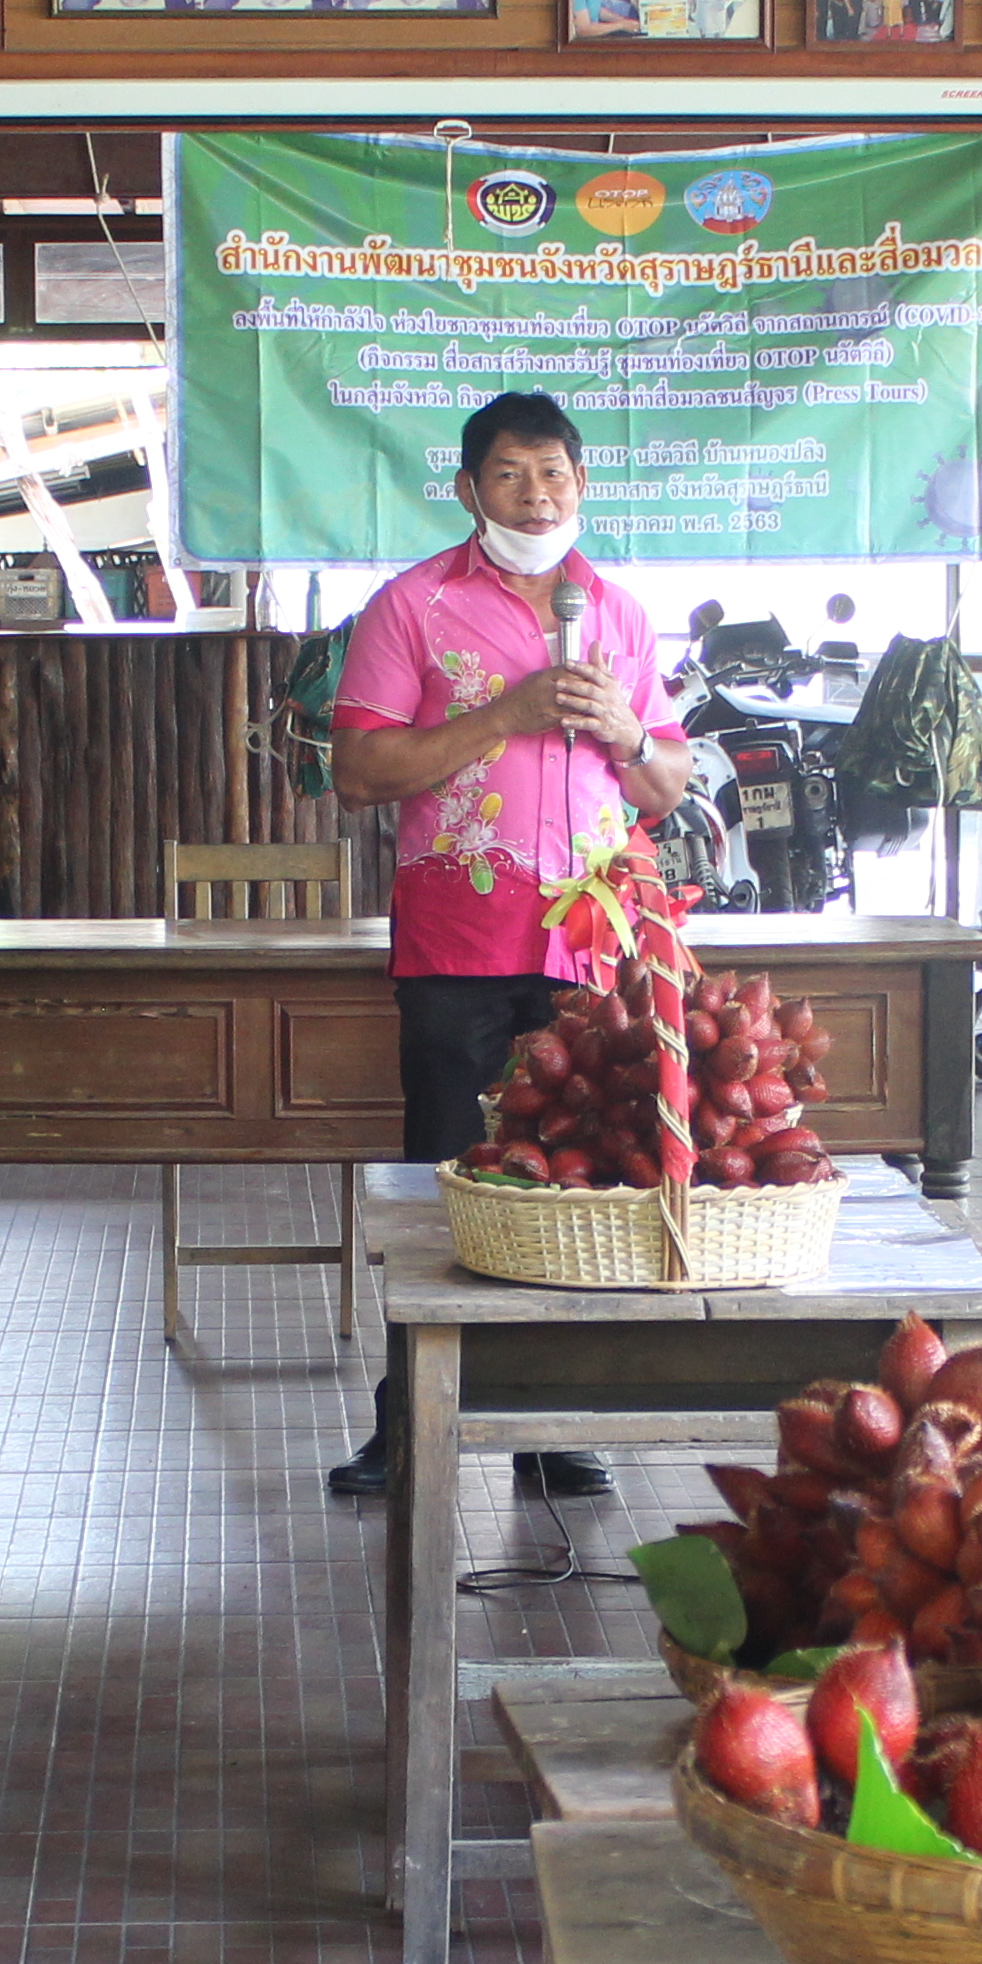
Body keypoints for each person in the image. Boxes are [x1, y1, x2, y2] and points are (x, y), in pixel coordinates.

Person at [318, 390, 702, 1503]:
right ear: (468, 489)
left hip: (590, 941)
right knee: (442, 1175)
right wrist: (509, 713)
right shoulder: (412, 607)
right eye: (511, 475)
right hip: (459, 937)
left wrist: (627, 733)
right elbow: (359, 775)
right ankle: (406, 1426)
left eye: (556, 474)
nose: (538, 495)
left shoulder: (618, 614)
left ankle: (551, 1423)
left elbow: (666, 784)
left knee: (577, 1181)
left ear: (584, 484)